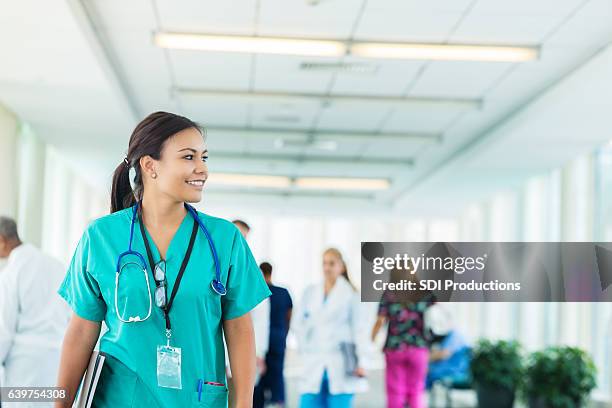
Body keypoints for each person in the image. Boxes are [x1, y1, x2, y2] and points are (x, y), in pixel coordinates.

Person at [54, 112, 271, 407]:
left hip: (196, 397)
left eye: (204, 158)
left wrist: (243, 404)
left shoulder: (224, 239)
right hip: (121, 397)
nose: (202, 169)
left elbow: (239, 327)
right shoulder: (101, 237)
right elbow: (81, 330)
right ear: (149, 165)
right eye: (188, 157)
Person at [0, 217, 69, 408]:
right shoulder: (55, 265)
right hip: (56, 363)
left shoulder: (11, 273)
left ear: (2, 240)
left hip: (24, 367)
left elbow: (4, 332)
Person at [294, 248, 368, 408]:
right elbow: (298, 324)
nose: (327, 267)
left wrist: (362, 361)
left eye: (332, 263)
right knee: (308, 402)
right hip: (313, 359)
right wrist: (303, 347)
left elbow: (360, 330)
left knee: (339, 401)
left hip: (341, 361)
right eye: (324, 263)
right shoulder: (310, 292)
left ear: (341, 266)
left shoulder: (352, 294)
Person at [371, 267, 436, 408]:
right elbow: (437, 315)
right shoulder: (425, 292)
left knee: (395, 391)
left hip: (395, 348)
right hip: (419, 348)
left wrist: (371, 338)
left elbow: (380, 320)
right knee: (416, 390)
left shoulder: (389, 293)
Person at [254, 262, 293, 408]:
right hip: (278, 339)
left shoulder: (258, 292)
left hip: (260, 342)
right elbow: (289, 315)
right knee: (277, 375)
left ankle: (259, 404)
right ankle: (278, 402)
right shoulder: (283, 292)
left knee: (259, 376)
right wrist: (284, 333)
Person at [426, 304, 471, 389]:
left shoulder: (456, 336)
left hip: (453, 371)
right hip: (445, 369)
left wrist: (423, 358)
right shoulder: (450, 336)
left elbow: (444, 354)